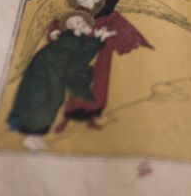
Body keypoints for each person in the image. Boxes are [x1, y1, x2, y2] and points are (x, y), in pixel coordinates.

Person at [57, 0, 152, 132]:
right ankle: (67, 117)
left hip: (102, 52)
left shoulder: (104, 10)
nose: (84, 1)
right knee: (80, 83)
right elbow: (62, 26)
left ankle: (91, 117)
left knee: (100, 83)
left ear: (96, 0)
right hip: (82, 53)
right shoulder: (77, 15)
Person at [6, 11, 114, 151]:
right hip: (43, 73)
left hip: (56, 75)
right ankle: (29, 137)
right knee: (39, 102)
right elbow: (80, 49)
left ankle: (36, 136)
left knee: (54, 100)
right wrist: (98, 39)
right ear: (70, 26)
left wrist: (99, 39)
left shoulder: (78, 39)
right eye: (76, 22)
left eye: (81, 22)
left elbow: (82, 57)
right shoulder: (67, 38)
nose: (80, 24)